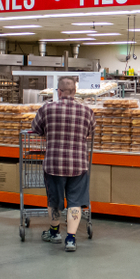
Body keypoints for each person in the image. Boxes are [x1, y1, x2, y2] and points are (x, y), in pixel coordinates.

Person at [30, 77, 96, 253]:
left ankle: (54, 232)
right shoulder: (87, 111)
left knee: (55, 200)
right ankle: (71, 239)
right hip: (78, 164)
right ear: (75, 92)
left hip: (54, 163)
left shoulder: (47, 108)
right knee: (75, 201)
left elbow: (36, 128)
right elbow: (90, 131)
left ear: (58, 92)